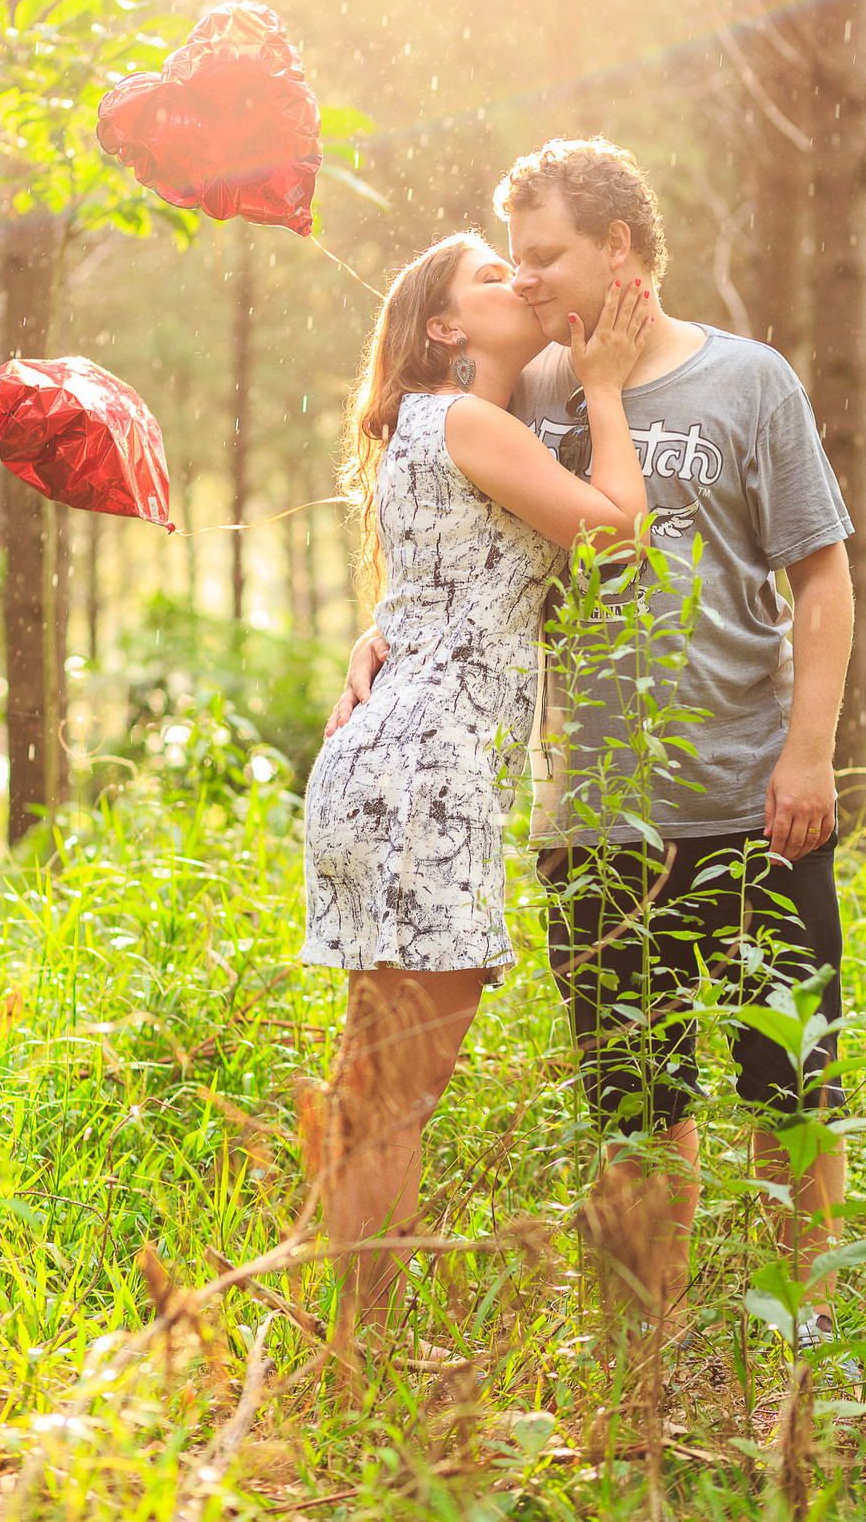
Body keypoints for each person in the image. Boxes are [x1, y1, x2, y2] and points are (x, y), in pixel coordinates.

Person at [331, 140, 856, 1354]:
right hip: (594, 814)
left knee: (793, 1085)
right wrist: (382, 635)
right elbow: (459, 531)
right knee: (638, 1105)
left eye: (546, 254)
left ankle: (809, 1338)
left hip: (748, 792)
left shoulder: (749, 380)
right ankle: (645, 1362)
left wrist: (809, 752)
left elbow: (820, 574)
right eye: (511, 259)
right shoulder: (532, 390)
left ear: (619, 249)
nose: (525, 281)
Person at [303, 229, 652, 1351]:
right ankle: (363, 1362)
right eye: (493, 277)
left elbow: (436, 589)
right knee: (394, 1105)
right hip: (427, 779)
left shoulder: (426, 426)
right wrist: (603, 389)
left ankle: (342, 1349)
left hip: (385, 767)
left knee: (371, 1098)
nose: (522, 282)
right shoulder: (468, 419)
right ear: (447, 329)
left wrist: (374, 639)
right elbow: (617, 536)